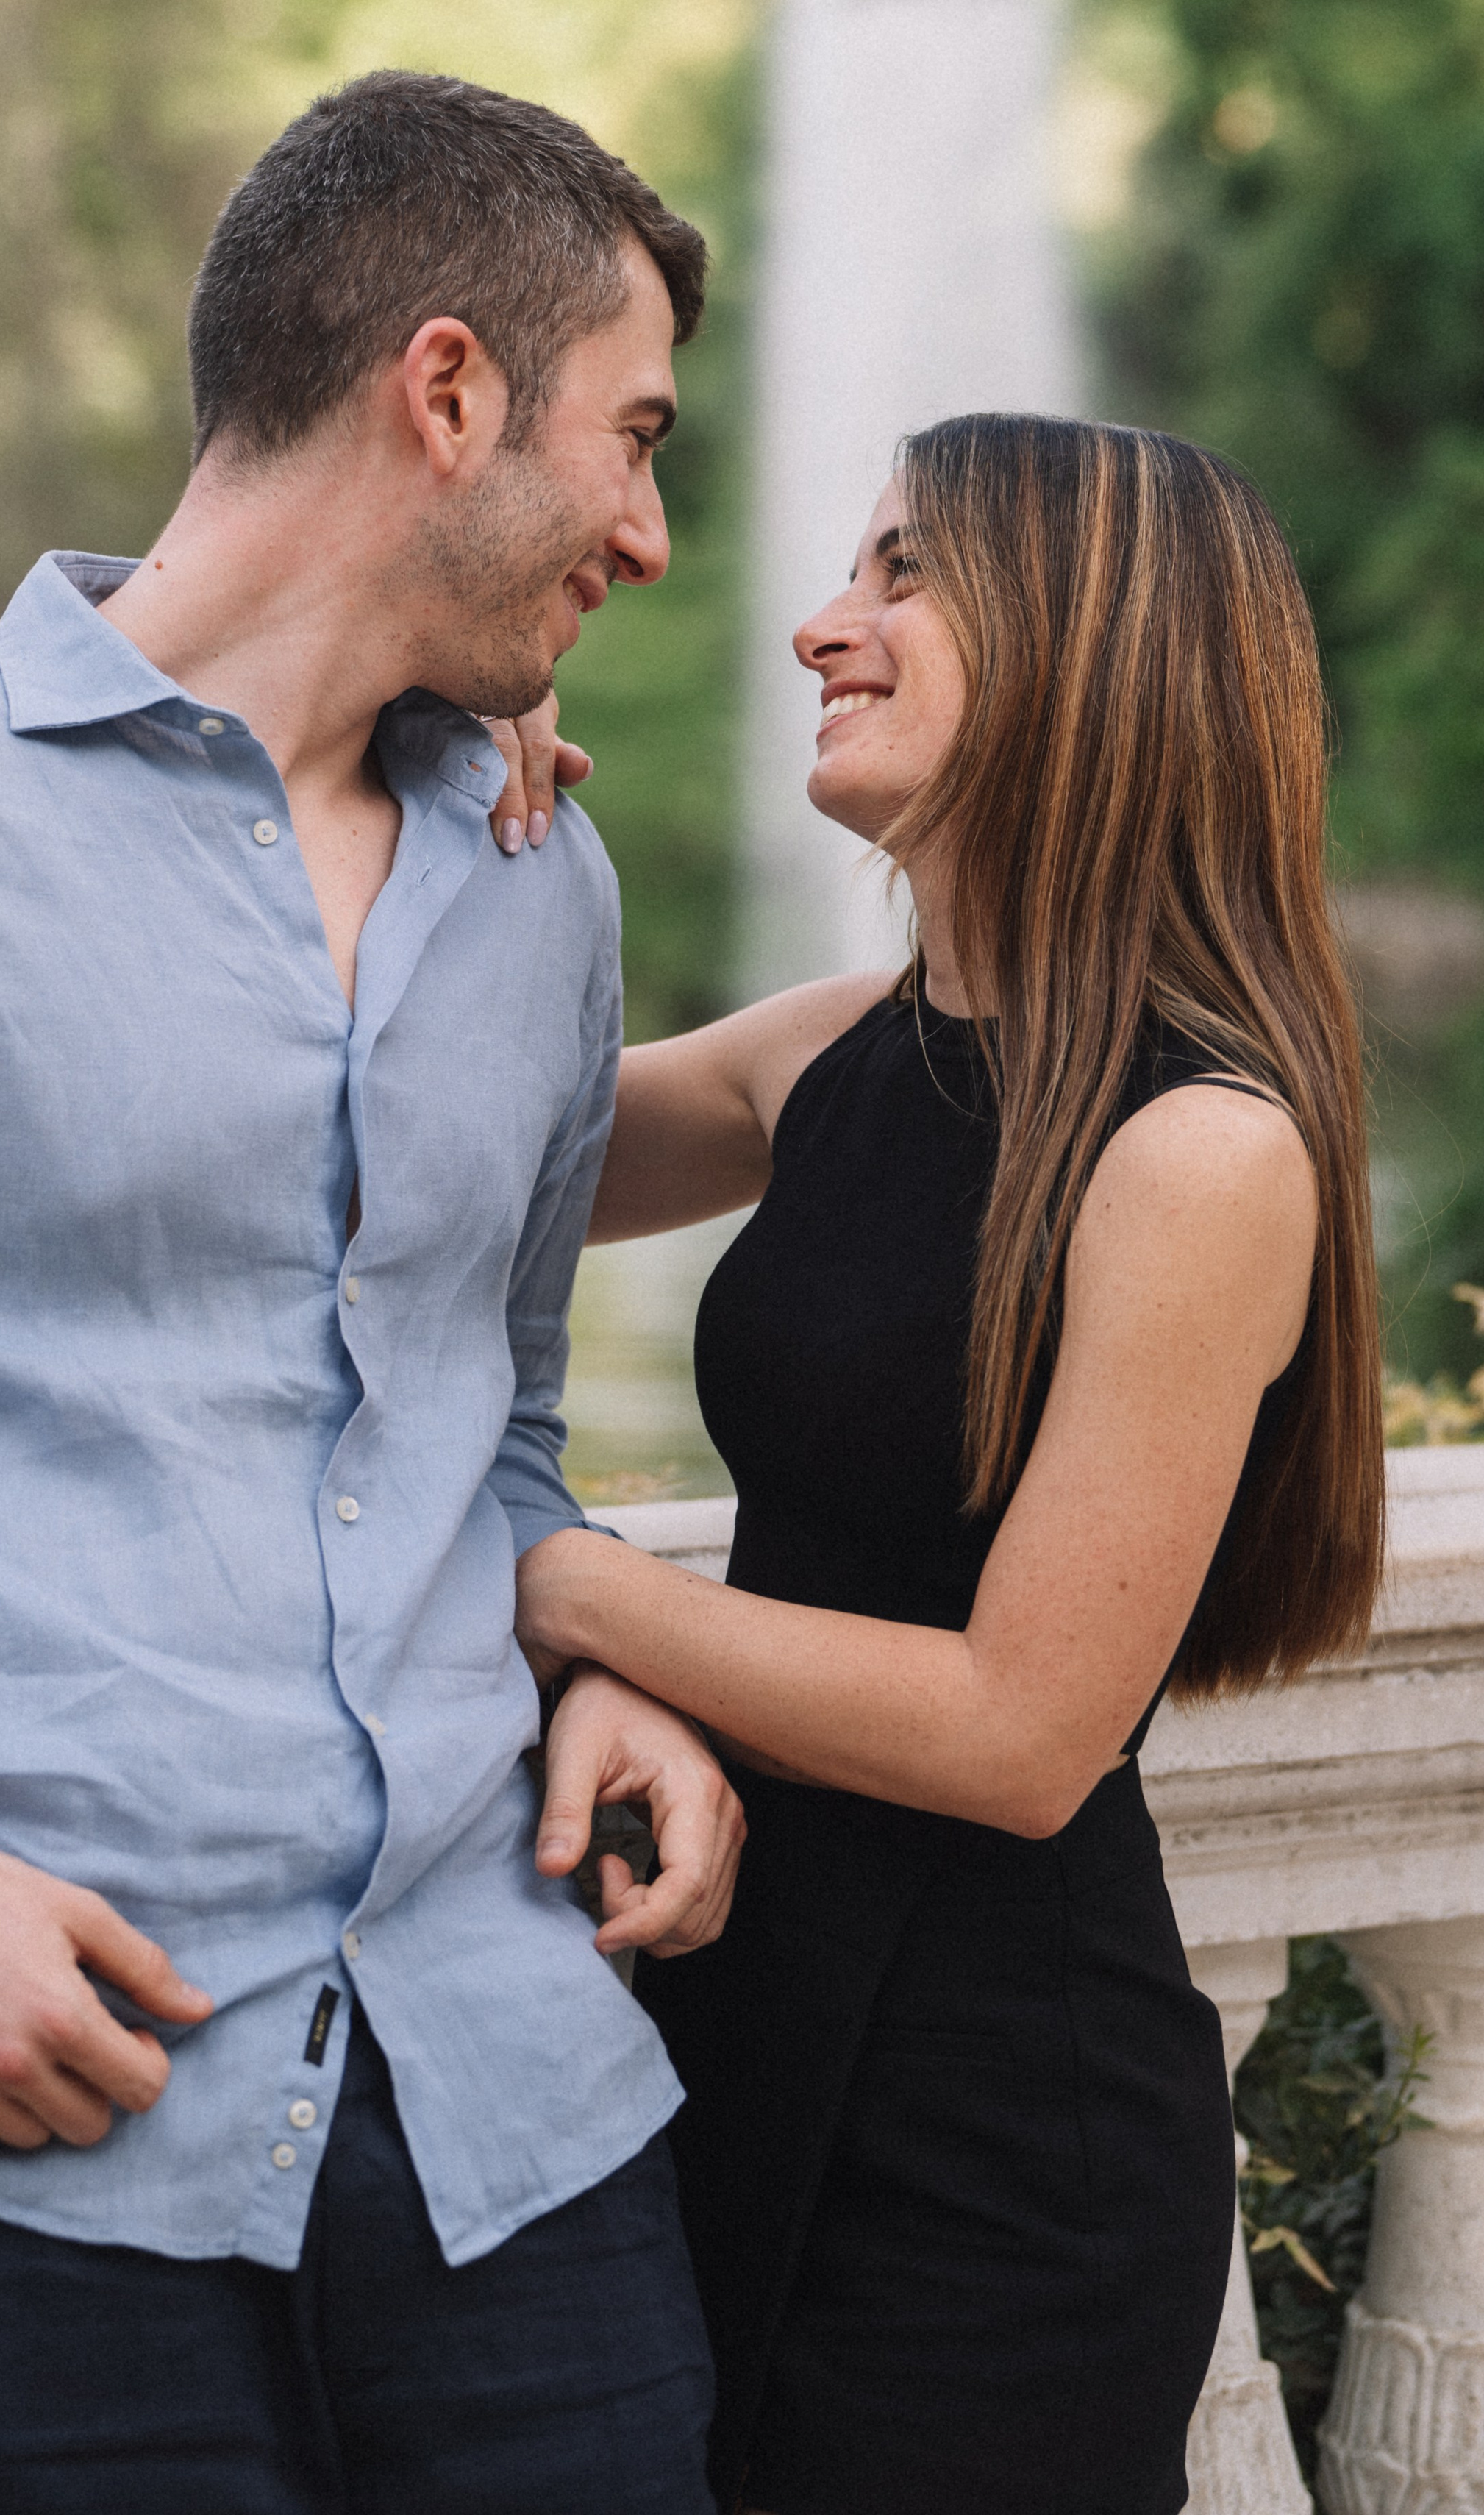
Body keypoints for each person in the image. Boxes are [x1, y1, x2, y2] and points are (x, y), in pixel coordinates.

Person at [0, 69, 746, 2515]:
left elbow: (487, 1429)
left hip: (513, 2121)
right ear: (448, 393)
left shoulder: (538, 884)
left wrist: (598, 1647)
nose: (653, 537)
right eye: (634, 439)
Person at [516, 413, 1385, 2515]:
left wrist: (569, 1587)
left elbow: (1021, 1734)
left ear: (1097, 643)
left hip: (995, 2139)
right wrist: (448, 774)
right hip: (724, 2010)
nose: (824, 625)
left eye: (905, 575)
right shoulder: (833, 1051)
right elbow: (442, 1159)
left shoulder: (1202, 1150)